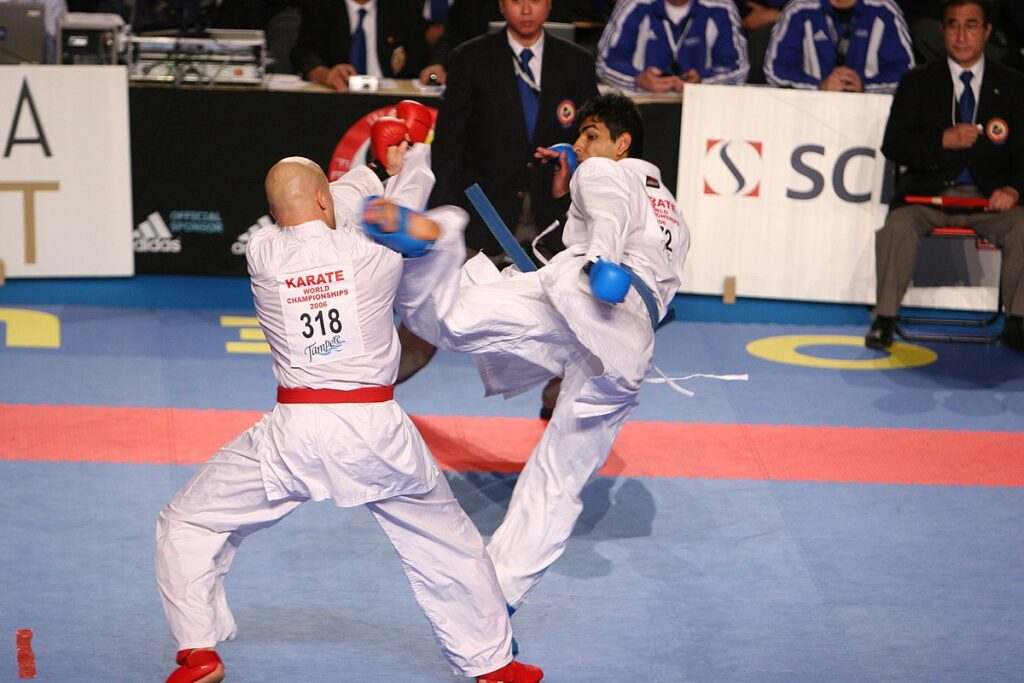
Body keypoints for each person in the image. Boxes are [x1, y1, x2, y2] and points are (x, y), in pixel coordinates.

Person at [155, 141, 545, 682]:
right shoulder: (369, 249)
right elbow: (392, 205)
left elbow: (315, 202)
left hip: (291, 434)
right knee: (448, 545)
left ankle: (197, 651)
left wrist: (363, 175)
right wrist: (409, 161)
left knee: (188, 521)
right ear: (323, 199)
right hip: (375, 432)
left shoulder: (263, 252)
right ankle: (493, 666)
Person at [402, 92, 690, 621]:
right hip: (629, 344)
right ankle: (497, 599)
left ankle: (433, 241)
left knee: (456, 317)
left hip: (587, 295)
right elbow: (623, 222)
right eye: (579, 136)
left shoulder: (605, 173)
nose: (581, 145)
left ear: (622, 144)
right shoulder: (669, 208)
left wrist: (602, 260)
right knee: (558, 478)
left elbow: (607, 211)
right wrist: (578, 176)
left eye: (592, 135)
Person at [865, 0, 1024, 353]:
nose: (961, 35)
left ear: (986, 32)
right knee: (897, 227)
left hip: (990, 200)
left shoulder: (1013, 85)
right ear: (942, 32)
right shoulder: (917, 82)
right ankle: (885, 319)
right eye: (953, 25)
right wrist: (941, 140)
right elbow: (894, 145)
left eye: (971, 26)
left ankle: (1018, 322)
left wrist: (1013, 187)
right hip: (929, 196)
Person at [429, 0, 600, 261]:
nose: (527, 10)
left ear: (550, 4)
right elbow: (448, 144)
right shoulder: (469, 59)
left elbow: (594, 140)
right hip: (483, 220)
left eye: (535, 0)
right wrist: (444, 216)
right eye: (516, 1)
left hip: (555, 221)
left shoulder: (577, 62)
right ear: (500, 4)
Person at [596, 0, 749, 92]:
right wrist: (637, 79)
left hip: (701, 109)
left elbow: (738, 68)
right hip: (643, 108)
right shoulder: (633, 4)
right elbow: (605, 64)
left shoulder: (721, 7)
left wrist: (702, 79)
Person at [765, 0, 915, 93]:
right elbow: (775, 71)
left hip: (870, 111)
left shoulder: (885, 9)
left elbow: (906, 72)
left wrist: (865, 86)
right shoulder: (799, 9)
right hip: (811, 110)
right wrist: (819, 87)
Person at [417, 0, 575, 86]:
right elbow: (452, 37)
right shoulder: (472, 4)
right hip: (483, 85)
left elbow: (563, 38)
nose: (526, 10)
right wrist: (439, 64)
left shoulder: (579, 62)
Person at [290, 0, 428, 90]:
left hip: (392, 100)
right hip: (337, 96)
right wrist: (326, 74)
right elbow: (304, 53)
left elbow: (420, 55)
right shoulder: (321, 6)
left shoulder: (403, 6)